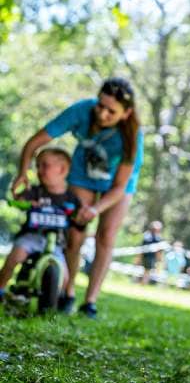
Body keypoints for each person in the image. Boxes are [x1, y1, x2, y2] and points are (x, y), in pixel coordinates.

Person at [11, 77, 144, 319]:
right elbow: (34, 143)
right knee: (74, 234)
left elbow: (120, 187)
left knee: (106, 236)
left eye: (111, 111)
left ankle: (90, 302)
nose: (102, 114)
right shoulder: (82, 111)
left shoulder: (133, 137)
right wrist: (22, 172)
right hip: (83, 174)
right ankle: (68, 292)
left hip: (117, 184)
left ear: (126, 113)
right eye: (100, 106)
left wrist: (96, 209)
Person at [0, 149, 85, 299]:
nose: (39, 170)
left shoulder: (71, 199)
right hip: (30, 238)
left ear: (62, 169)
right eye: (37, 165)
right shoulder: (35, 192)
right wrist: (23, 202)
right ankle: (1, 288)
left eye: (44, 165)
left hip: (56, 244)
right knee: (14, 258)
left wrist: (81, 219)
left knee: (65, 277)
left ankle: (61, 301)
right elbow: (20, 201)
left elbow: (79, 223)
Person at [140, 220, 164, 284]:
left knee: (149, 270)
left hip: (153, 257)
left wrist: (159, 259)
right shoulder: (147, 236)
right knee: (146, 270)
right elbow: (142, 247)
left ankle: (145, 282)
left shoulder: (159, 238)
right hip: (146, 256)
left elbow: (159, 250)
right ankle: (143, 282)